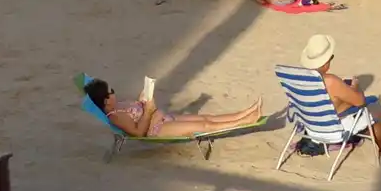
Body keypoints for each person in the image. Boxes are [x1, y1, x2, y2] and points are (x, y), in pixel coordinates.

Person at [298, 34, 381, 151]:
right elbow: (360, 101)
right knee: (373, 117)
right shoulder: (330, 81)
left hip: (310, 127)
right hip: (330, 131)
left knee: (348, 106)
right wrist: (355, 87)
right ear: (326, 62)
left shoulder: (300, 78)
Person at [85, 78, 262, 138]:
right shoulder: (115, 115)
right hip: (157, 129)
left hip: (161, 118)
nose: (115, 93)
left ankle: (243, 114)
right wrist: (147, 111)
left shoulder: (118, 104)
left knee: (205, 118)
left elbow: (137, 111)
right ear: (106, 101)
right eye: (112, 92)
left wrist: (142, 100)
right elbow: (138, 133)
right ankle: (246, 121)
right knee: (205, 127)